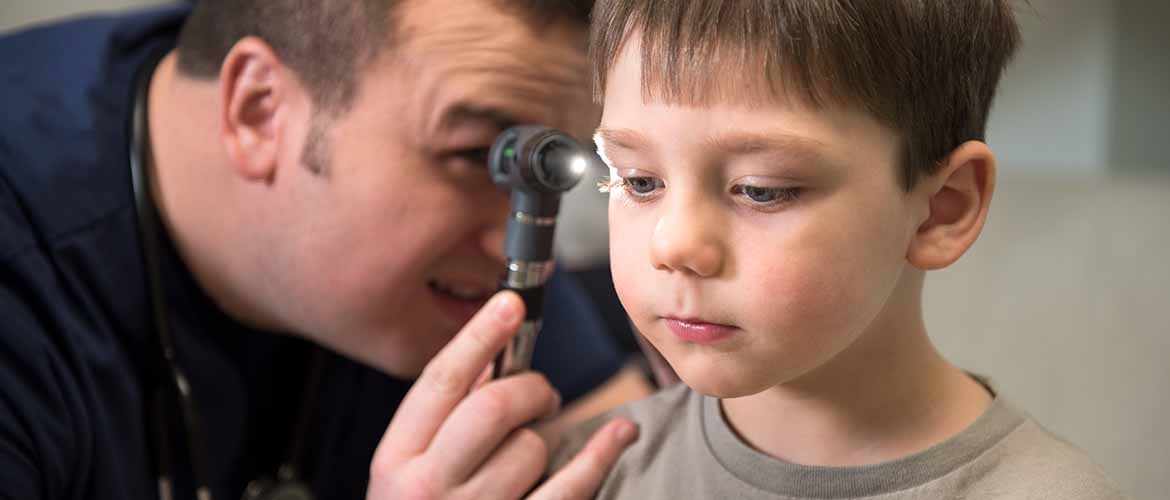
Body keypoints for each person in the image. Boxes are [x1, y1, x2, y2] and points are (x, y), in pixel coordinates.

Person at [0, 1, 652, 499]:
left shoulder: (463, 238)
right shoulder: (26, 295)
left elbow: (625, 443)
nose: (514, 233)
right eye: (478, 156)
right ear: (258, 110)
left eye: (541, 166)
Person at [551, 1, 1127, 498]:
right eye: (637, 181)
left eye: (761, 190)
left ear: (941, 209)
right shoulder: (587, 474)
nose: (672, 244)